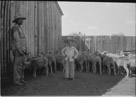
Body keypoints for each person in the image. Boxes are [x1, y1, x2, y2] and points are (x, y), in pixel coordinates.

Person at [10, 14, 27, 86]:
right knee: (17, 66)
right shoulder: (15, 28)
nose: (22, 21)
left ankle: (21, 79)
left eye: (22, 19)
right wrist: (19, 50)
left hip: (22, 50)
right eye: (21, 19)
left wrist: (24, 49)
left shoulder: (19, 28)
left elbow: (22, 40)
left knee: (22, 65)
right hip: (18, 50)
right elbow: (16, 40)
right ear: (17, 20)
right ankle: (17, 81)